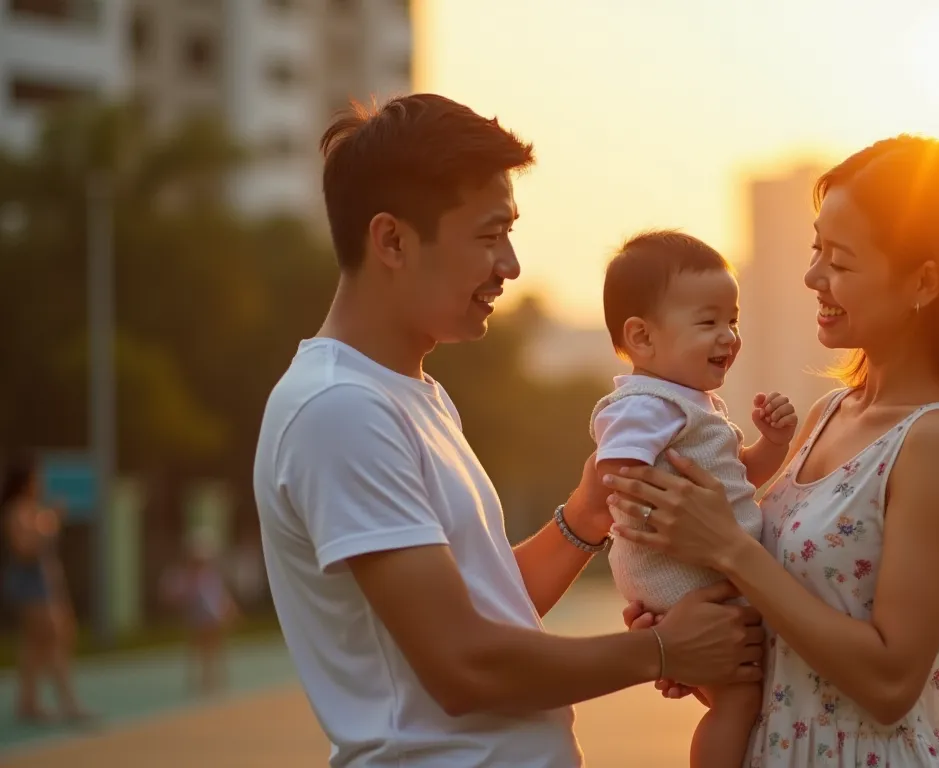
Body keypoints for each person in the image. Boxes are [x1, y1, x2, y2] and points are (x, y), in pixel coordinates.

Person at [251, 94, 763, 768]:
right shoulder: (339, 409)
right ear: (393, 240)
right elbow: (464, 666)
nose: (511, 265)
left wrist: (586, 515)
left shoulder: (411, 396)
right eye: (490, 236)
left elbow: (485, 607)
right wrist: (664, 651)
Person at [609, 136, 939, 767]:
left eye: (839, 261)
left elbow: (891, 682)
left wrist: (728, 550)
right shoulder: (828, 414)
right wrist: (694, 630)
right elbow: (788, 608)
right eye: (816, 248)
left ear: (922, 281)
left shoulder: (933, 440)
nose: (813, 276)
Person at [593, 230, 798, 768]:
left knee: (739, 688)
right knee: (738, 698)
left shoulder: (695, 406)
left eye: (732, 320)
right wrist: (647, 516)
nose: (728, 336)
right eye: (708, 323)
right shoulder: (645, 404)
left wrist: (772, 444)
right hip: (680, 571)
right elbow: (613, 470)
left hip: (695, 566)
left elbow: (739, 480)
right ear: (641, 338)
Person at [1, 455, 88, 723]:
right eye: (36, 479)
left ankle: (28, 703)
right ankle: (69, 703)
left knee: (35, 646)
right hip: (31, 587)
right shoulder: (17, 511)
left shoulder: (33, 510)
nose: (40, 484)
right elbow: (25, 550)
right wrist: (49, 524)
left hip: (44, 585)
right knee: (52, 642)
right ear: (25, 481)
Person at [161, 536, 238, 694]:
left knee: (214, 648)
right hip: (197, 618)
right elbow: (177, 596)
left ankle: (213, 678)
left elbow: (219, 596)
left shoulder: (210, 576)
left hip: (211, 618)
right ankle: (201, 680)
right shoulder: (188, 577)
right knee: (198, 648)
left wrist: (228, 611)